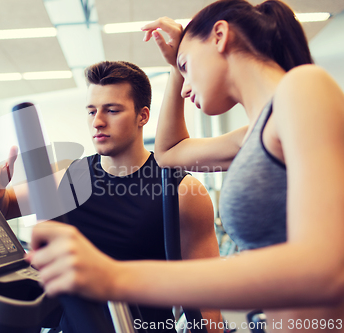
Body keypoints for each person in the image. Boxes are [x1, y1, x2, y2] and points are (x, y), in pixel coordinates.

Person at [27, 0, 344, 331]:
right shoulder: (254, 134)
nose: (187, 85)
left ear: (220, 36)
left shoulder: (304, 85)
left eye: (186, 67)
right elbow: (170, 152)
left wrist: (115, 276)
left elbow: (326, 270)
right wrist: (177, 66)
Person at [0, 61, 222, 332]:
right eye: (91, 111)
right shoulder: (69, 178)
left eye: (112, 110)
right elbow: (4, 206)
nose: (97, 122)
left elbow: (206, 298)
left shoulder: (182, 192)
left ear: (142, 116)